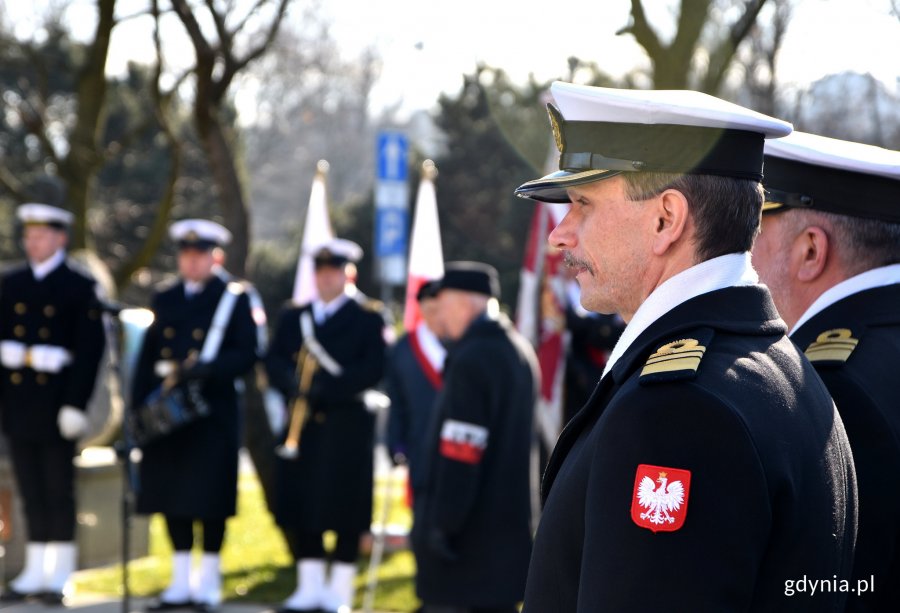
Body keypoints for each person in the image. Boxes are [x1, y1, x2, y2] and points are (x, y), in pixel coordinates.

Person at [513, 82, 857, 611]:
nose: (560, 234)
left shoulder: (676, 412)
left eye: (582, 203)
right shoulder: (780, 366)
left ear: (665, 220)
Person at [751, 131, 900, 612]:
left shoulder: (831, 383)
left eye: (755, 230)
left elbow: (845, 589)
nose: (742, 256)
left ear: (811, 251)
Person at [129, 219, 258, 612]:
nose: (192, 262)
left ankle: (210, 579)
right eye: (186, 255)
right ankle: (181, 580)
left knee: (210, 496)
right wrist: (138, 409)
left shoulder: (234, 297)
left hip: (211, 410)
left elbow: (248, 353)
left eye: (199, 255)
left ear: (215, 257)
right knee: (171, 493)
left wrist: (208, 368)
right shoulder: (165, 298)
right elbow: (148, 357)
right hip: (168, 412)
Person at [265, 238, 387, 613]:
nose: (326, 278)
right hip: (304, 428)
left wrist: (324, 388)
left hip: (347, 425)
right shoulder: (294, 315)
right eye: (320, 271)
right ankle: (309, 587)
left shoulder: (369, 315)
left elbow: (375, 367)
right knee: (304, 504)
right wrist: (295, 386)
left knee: (346, 509)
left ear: (349, 274)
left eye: (334, 271)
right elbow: (273, 361)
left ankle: (340, 591)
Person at [412, 261, 539, 613]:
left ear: (468, 303)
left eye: (445, 304)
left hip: (466, 547)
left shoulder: (474, 358)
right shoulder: (517, 350)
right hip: (503, 541)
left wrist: (443, 522)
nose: (438, 316)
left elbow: (461, 451)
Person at [0, 202, 106, 605]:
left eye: (41, 235)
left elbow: (90, 350)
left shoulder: (79, 286)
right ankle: (34, 570)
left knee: (57, 489)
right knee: (29, 489)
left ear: (61, 238)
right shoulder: (12, 283)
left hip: (57, 404)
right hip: (20, 402)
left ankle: (60, 572)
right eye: (28, 236)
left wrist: (75, 405)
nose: (33, 243)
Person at [386, 280, 446, 496]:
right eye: (429, 308)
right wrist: (395, 443)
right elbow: (397, 400)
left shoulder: (465, 344)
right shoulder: (403, 349)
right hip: (418, 441)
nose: (435, 315)